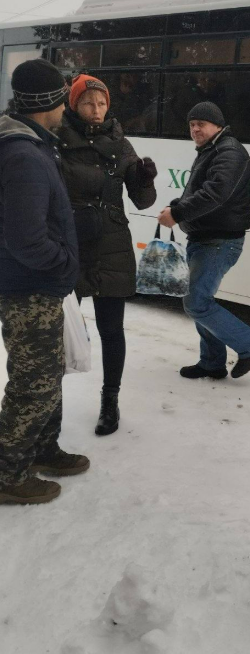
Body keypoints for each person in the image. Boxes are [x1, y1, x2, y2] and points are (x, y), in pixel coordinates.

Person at [0, 59, 89, 505]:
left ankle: (42, 449)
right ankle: (8, 473)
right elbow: (26, 238)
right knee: (33, 383)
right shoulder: (23, 155)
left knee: (46, 374)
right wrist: (63, 265)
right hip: (27, 287)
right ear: (50, 102)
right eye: (62, 96)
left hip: (34, 283)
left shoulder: (32, 144)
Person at [58, 74, 158, 436]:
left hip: (112, 245)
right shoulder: (58, 140)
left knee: (111, 330)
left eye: (101, 103)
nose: (96, 110)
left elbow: (143, 201)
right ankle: (48, 402)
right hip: (70, 245)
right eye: (88, 103)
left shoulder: (120, 142)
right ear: (74, 105)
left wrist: (145, 179)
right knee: (60, 327)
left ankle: (110, 401)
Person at [158, 101, 250, 380]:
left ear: (217, 125)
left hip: (219, 240)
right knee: (200, 299)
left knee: (196, 302)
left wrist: (179, 212)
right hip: (205, 236)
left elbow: (216, 194)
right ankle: (212, 362)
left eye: (201, 124)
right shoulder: (212, 150)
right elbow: (200, 190)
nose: (195, 129)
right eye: (192, 125)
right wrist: (177, 206)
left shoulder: (229, 152)